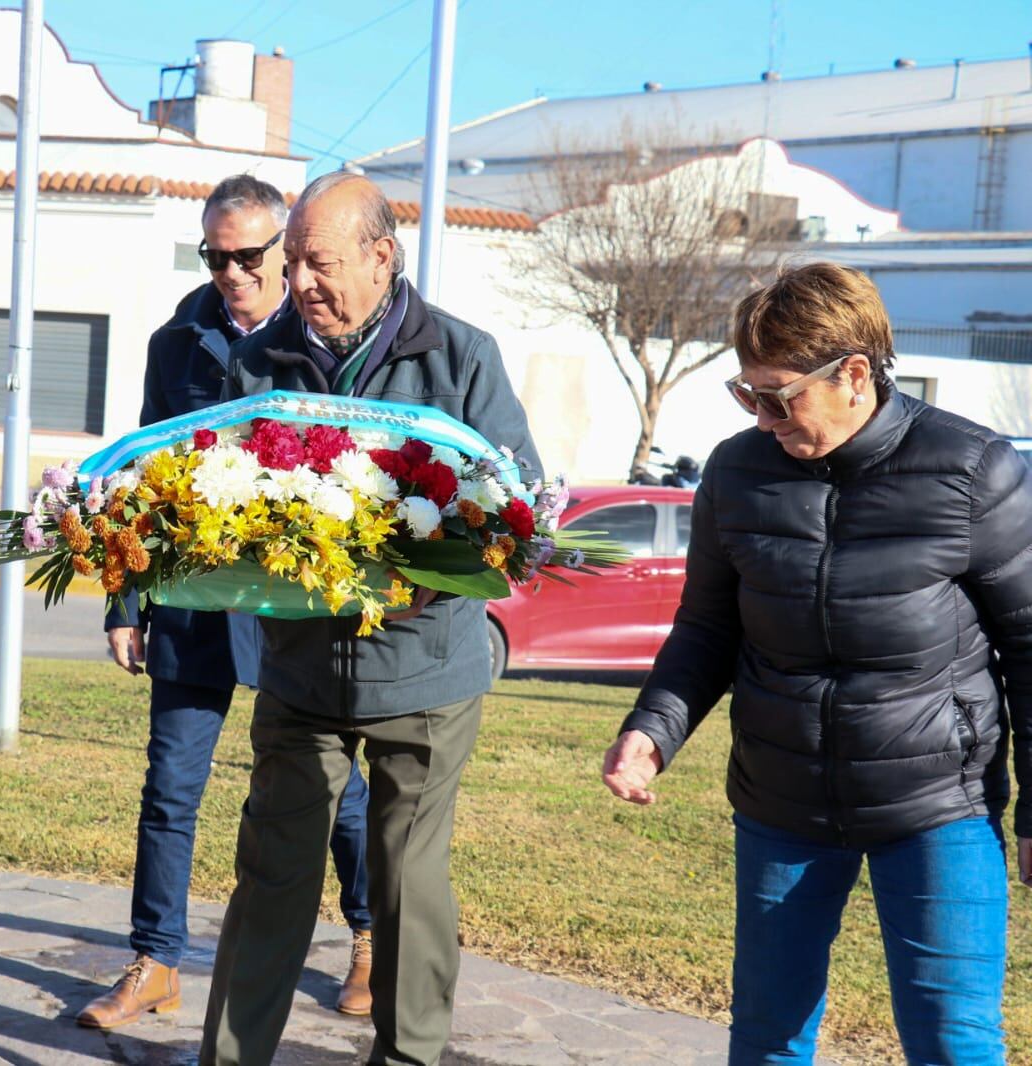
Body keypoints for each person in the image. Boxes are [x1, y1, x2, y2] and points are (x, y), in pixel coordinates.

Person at [601, 262, 1032, 1064]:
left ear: (855, 374)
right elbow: (704, 631)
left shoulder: (974, 470)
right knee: (767, 1037)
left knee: (952, 1041)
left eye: (777, 395)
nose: (761, 419)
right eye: (746, 395)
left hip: (939, 805)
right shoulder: (735, 473)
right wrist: (650, 730)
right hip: (781, 800)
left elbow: (1029, 649)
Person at [200, 172, 541, 1066]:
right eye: (295, 264)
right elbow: (216, 492)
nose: (303, 283)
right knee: (271, 871)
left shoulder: (463, 357)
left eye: (320, 263)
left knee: (406, 881)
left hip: (424, 669)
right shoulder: (255, 363)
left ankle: (407, 1059)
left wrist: (442, 571)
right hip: (300, 666)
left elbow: (517, 511)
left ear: (382, 258)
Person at [77, 174, 375, 1031]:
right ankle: (154, 961)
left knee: (335, 789)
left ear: (281, 253)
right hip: (191, 606)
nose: (231, 272)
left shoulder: (320, 334)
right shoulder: (178, 340)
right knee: (169, 788)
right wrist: (125, 600)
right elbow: (139, 474)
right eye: (215, 255)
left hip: (290, 604)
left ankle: (368, 936)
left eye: (247, 255)